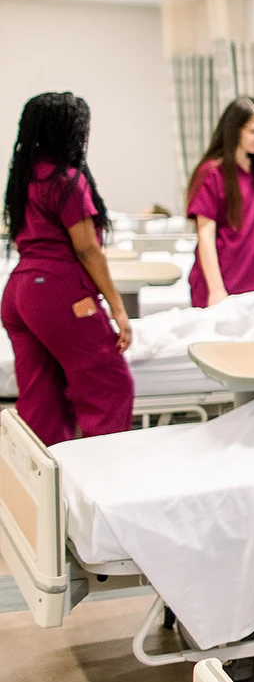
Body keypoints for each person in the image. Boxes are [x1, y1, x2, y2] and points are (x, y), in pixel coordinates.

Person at [1, 93, 134, 444]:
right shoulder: (66, 179)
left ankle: (41, 489)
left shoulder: (26, 176)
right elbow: (88, 250)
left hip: (20, 292)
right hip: (57, 291)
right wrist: (118, 310)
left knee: (41, 397)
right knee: (109, 386)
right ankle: (102, 480)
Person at [185, 96, 254, 308]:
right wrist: (216, 289)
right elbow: (206, 234)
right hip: (223, 281)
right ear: (234, 130)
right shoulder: (212, 174)